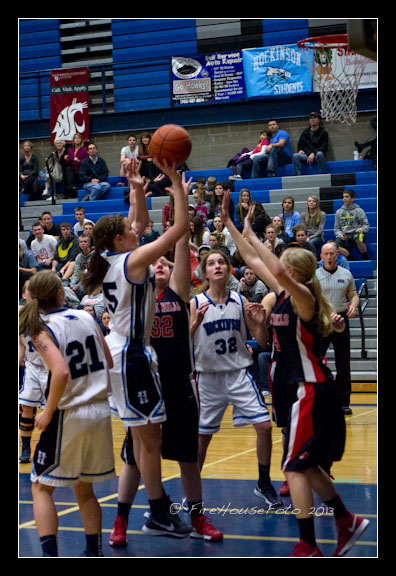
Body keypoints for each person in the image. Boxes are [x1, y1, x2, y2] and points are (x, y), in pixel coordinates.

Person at [218, 196, 369, 557]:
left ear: (296, 271)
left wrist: (254, 235)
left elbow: (272, 266)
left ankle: (308, 544)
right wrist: (233, 225)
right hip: (302, 387)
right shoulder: (286, 292)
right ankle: (345, 520)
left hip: (312, 388)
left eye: (283, 262)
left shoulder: (304, 297)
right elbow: (254, 260)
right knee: (306, 464)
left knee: (292, 466)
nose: (275, 265)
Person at [82, 157, 190, 537]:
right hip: (130, 356)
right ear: (118, 239)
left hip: (126, 353)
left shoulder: (116, 258)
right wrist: (176, 186)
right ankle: (158, 508)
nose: (136, 230)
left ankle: (154, 507)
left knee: (149, 437)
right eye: (129, 230)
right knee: (148, 438)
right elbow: (178, 229)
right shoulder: (132, 260)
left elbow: (139, 221)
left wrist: (137, 188)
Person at [109, 198, 223, 545]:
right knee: (134, 458)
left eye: (164, 262)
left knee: (189, 457)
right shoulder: (136, 295)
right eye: (153, 262)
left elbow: (177, 239)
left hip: (177, 384)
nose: (158, 264)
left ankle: (197, 517)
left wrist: (178, 203)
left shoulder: (178, 293)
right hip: (145, 382)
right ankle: (121, 521)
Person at [19, 270, 115, 557]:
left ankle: (50, 555)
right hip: (100, 411)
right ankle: (93, 551)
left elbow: (60, 370)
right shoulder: (86, 317)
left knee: (40, 487)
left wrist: (47, 412)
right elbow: (108, 360)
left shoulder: (40, 328)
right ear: (61, 294)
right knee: (85, 490)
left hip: (68, 412)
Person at [189, 248, 282, 509]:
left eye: (221, 262)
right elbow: (184, 344)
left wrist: (261, 323)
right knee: (202, 440)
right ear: (204, 271)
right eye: (211, 263)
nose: (217, 266)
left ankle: (263, 483)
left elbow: (262, 342)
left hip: (238, 374)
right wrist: (193, 325)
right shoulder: (196, 304)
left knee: (264, 427)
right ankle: (193, 493)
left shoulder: (239, 300)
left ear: (229, 268)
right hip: (207, 379)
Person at [316, 242, 360, 416]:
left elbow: (353, 295)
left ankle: (344, 403)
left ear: (337, 256)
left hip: (341, 320)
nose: (329, 257)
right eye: (325, 254)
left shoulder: (346, 274)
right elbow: (315, 298)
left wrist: (354, 306)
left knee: (343, 363)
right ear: (321, 257)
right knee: (317, 361)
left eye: (332, 254)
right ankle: (319, 399)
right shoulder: (315, 276)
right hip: (323, 320)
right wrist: (328, 311)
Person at [19, 280, 48, 464]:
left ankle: (45, 447)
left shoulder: (48, 314)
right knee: (27, 408)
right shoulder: (22, 316)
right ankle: (25, 448)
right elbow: (21, 343)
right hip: (31, 366)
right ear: (24, 295)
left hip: (49, 367)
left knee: (49, 410)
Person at [334, 189, 370, 260]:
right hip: (345, 235)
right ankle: (351, 258)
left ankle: (365, 257)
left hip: (356, 233)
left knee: (358, 238)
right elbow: (337, 228)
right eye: (343, 197)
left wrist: (362, 229)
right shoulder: (339, 212)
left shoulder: (359, 210)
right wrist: (340, 234)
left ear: (352, 198)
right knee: (334, 246)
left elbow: (366, 225)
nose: (344, 198)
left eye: (347, 197)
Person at [70, 234, 95, 299]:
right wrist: (72, 285)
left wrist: (77, 286)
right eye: (81, 242)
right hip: (80, 282)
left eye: (85, 241)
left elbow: (92, 274)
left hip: (92, 281)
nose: (83, 243)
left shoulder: (95, 256)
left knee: (80, 289)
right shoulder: (78, 257)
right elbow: (76, 273)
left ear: (89, 243)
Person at [64, 132, 89, 198]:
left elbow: (87, 161)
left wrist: (79, 160)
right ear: (73, 140)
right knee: (68, 169)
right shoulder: (70, 150)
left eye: (79, 138)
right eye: (75, 138)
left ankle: (74, 188)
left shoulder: (84, 149)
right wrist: (67, 159)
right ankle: (70, 187)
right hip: (72, 168)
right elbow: (69, 162)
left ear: (81, 140)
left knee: (76, 173)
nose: (77, 139)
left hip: (80, 168)